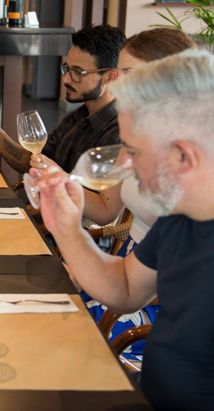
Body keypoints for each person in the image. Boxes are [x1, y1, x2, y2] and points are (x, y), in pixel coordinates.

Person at [34, 50, 214, 410]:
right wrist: (68, 230)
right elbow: (125, 287)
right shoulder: (190, 201)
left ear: (184, 156)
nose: (124, 166)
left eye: (133, 152)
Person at [72, 28, 196, 357]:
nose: (117, 86)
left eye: (129, 74)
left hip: (164, 302)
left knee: (68, 336)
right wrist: (66, 195)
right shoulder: (139, 135)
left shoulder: (192, 162)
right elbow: (106, 212)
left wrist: (94, 273)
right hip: (130, 270)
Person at [0, 24, 126, 173]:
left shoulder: (120, 133)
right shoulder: (75, 118)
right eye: (67, 69)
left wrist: (58, 175)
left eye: (78, 72)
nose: (66, 79)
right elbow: (34, 161)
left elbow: (101, 194)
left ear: (110, 76)